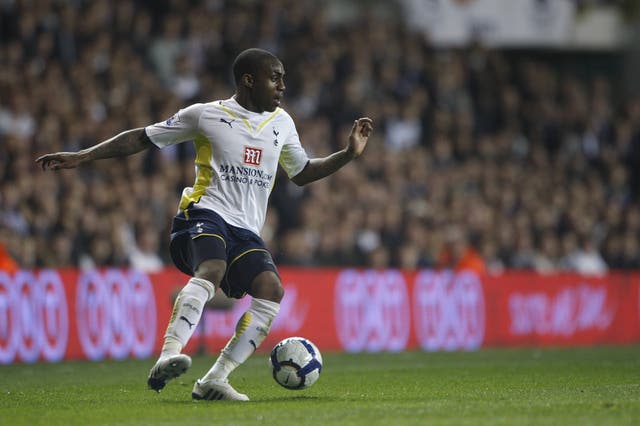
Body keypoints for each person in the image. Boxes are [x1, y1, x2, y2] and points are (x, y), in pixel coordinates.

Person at [36, 48, 373, 401]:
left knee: (271, 290)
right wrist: (84, 155)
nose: (282, 86)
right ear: (249, 80)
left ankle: (215, 378)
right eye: (275, 78)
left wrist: (347, 155)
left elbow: (302, 173)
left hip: (245, 230)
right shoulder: (206, 115)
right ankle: (169, 352)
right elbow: (142, 137)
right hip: (202, 212)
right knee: (212, 267)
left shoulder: (282, 123)